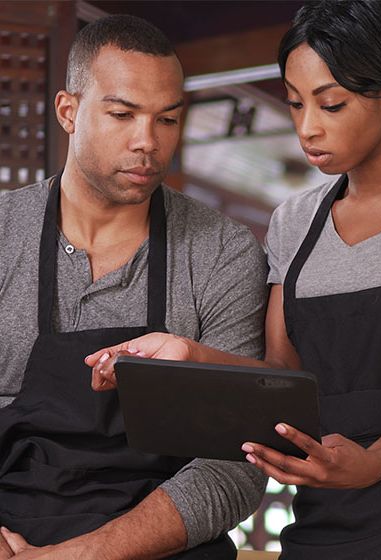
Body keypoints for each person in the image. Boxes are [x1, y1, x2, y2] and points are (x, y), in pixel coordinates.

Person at [87, 2, 381, 558]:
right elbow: (282, 376)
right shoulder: (294, 221)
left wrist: (369, 465)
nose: (306, 127)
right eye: (295, 104)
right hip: (326, 512)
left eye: (331, 104)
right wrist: (187, 354)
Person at [0, 14, 268, 560]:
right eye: (122, 114)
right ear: (67, 112)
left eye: (167, 119)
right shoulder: (5, 234)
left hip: (159, 545)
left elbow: (237, 462)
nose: (147, 142)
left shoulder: (222, 252)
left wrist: (83, 555)